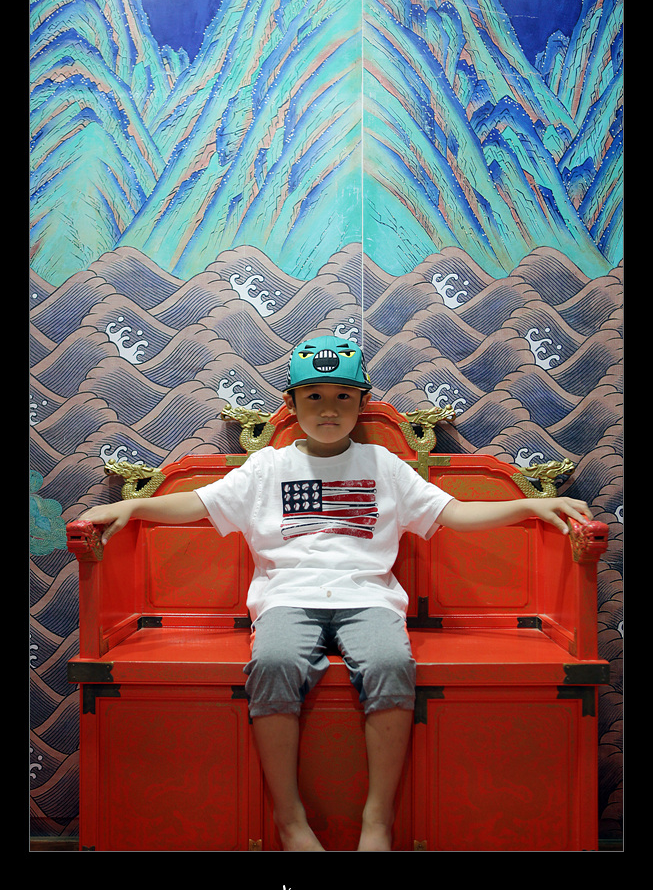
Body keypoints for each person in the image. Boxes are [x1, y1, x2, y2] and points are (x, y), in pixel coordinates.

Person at [78, 334, 593, 852]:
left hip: (368, 598)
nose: (329, 409)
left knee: (391, 662)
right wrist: (132, 507)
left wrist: (531, 507)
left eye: (343, 396)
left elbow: (453, 513)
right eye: (315, 396)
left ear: (362, 403)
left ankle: (378, 820)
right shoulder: (267, 468)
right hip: (287, 597)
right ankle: (290, 820)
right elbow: (197, 503)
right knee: (273, 662)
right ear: (291, 403)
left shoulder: (383, 465)